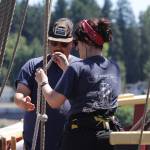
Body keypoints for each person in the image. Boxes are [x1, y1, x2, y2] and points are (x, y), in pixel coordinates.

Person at [35, 18, 122, 150]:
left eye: (77, 43)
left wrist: (43, 82)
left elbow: (54, 101)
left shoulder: (77, 68)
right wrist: (67, 69)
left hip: (81, 138)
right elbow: (88, 90)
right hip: (109, 137)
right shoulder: (114, 67)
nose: (76, 47)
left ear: (85, 42)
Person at [14, 18, 80, 150]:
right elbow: (20, 94)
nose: (58, 49)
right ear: (48, 43)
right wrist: (23, 101)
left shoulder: (80, 67)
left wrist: (67, 70)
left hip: (70, 143)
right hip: (36, 143)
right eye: (54, 43)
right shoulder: (33, 66)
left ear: (72, 44)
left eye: (63, 45)